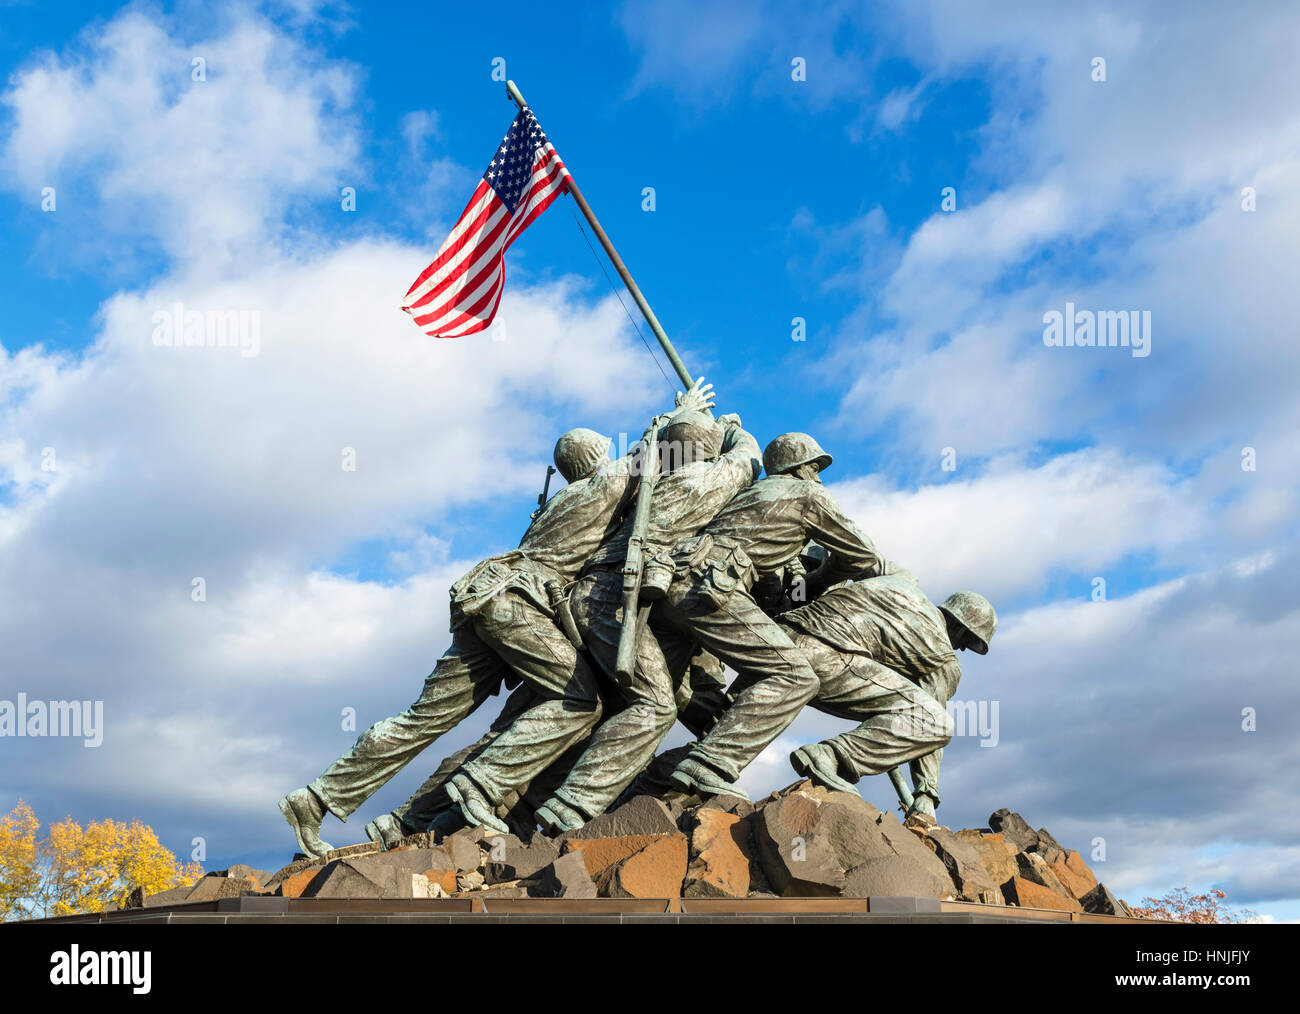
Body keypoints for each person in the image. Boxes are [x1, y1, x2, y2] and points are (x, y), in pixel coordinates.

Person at [277, 382, 710, 856]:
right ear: (596, 458)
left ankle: (318, 797)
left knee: (423, 718)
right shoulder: (602, 486)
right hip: (516, 604)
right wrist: (682, 414)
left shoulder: (553, 507)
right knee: (580, 701)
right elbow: (655, 457)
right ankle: (481, 784)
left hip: (482, 599)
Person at [659, 432, 893, 799]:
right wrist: (818, 581)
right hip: (709, 588)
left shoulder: (747, 496)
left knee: (661, 700)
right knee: (795, 676)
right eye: (815, 469)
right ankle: (708, 765)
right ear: (800, 469)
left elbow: (765, 580)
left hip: (668, 585)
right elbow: (862, 556)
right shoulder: (808, 496)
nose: (818, 478)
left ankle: (625, 792)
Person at [778, 572, 997, 820]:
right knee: (938, 724)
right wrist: (926, 794)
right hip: (821, 658)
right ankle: (829, 756)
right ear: (959, 626)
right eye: (969, 639)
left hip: (778, 637)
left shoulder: (903, 589)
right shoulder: (942, 654)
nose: (964, 648)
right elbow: (928, 720)